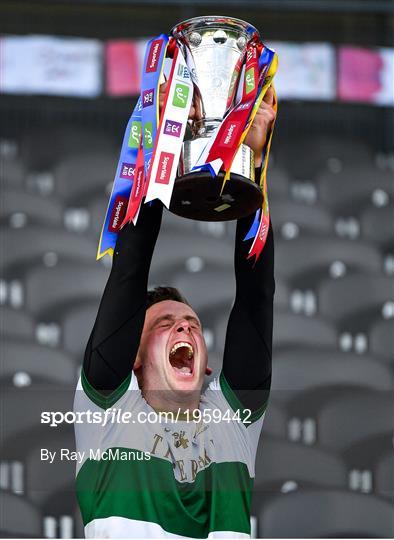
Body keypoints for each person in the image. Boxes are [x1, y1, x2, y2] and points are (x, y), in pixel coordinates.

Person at [74, 86, 276, 538]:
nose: (184, 325)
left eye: (192, 325)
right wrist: (164, 143)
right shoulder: (107, 416)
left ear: (206, 368)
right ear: (135, 357)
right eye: (164, 324)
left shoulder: (233, 421)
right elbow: (129, 273)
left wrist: (252, 165)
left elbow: (256, 299)